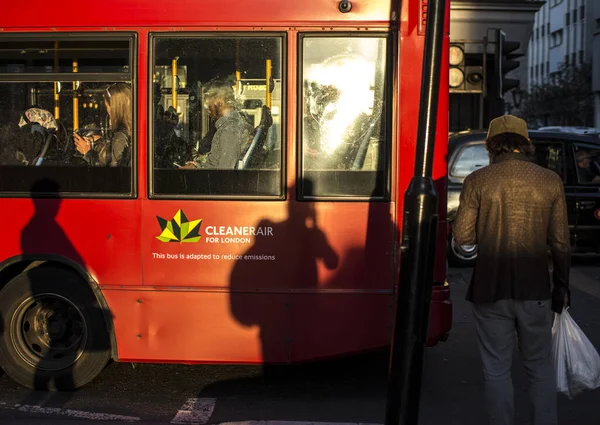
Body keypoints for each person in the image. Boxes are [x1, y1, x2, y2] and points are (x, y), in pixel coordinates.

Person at [453, 115, 571, 425]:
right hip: (536, 290)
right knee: (539, 368)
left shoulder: (477, 180)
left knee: (496, 369)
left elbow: (463, 237)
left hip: (490, 289)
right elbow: (560, 243)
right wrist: (561, 286)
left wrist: (488, 228)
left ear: (491, 146)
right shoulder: (549, 180)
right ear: (526, 144)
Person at [182, 79, 253, 169]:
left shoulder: (229, 131)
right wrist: (197, 167)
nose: (207, 111)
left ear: (219, 102)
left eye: (208, 105)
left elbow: (224, 173)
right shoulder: (232, 126)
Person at [73, 82, 132, 167]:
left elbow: (111, 172)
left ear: (115, 108)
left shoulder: (121, 136)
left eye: (107, 106)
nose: (108, 112)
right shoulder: (130, 130)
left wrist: (87, 153)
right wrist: (100, 141)